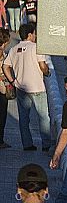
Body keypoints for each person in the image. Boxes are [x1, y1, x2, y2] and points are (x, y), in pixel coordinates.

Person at [1, 22, 51, 153]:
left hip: (21, 88)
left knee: (24, 118)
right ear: (30, 35)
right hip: (38, 88)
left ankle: (27, 144)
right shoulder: (37, 48)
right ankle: (46, 144)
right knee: (43, 117)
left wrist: (12, 81)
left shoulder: (14, 49)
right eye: (34, 33)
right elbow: (42, 66)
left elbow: (5, 66)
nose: (35, 36)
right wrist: (47, 72)